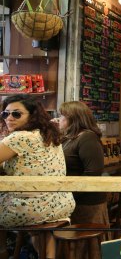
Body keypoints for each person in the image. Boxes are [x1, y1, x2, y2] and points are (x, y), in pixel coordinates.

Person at [0, 94, 75, 259]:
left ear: (32, 115)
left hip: (33, 208)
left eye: (16, 114)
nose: (9, 118)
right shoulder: (47, 134)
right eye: (5, 114)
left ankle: (3, 251)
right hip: (60, 203)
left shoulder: (20, 137)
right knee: (41, 232)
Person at [57, 101, 108, 232]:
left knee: (84, 247)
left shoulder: (87, 137)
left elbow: (93, 173)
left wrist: (69, 194)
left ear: (74, 119)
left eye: (62, 116)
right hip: (73, 200)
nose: (59, 119)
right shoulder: (69, 137)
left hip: (86, 203)